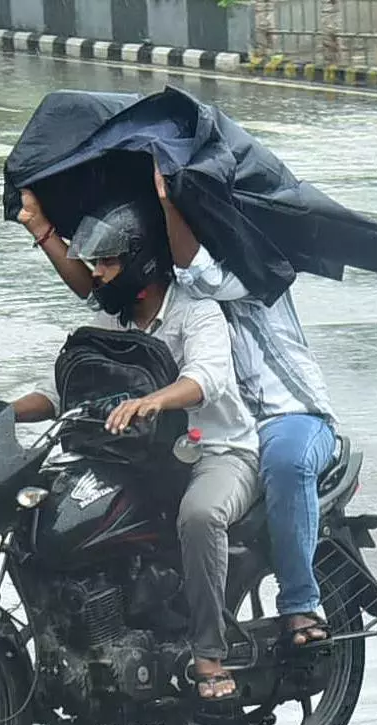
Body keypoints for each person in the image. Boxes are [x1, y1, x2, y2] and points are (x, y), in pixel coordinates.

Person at [14, 194, 260, 701]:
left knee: (200, 517)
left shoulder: (198, 313)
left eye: (108, 262)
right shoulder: (114, 324)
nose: (98, 274)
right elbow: (60, 390)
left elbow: (207, 378)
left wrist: (154, 400)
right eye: (95, 262)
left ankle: (209, 657)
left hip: (216, 452)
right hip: (137, 460)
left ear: (142, 261)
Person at [149, 164, 338, 649]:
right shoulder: (178, 291)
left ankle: (300, 602)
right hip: (223, 429)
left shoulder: (259, 267)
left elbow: (204, 275)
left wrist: (168, 202)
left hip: (288, 414)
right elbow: (101, 293)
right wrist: (41, 229)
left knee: (286, 461)